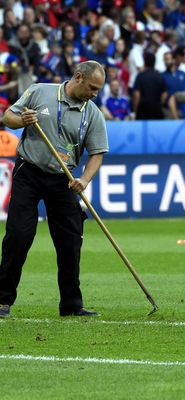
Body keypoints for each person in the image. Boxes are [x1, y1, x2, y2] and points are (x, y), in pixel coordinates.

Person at [0, 61, 108, 318]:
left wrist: (85, 179)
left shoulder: (92, 113)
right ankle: (2, 300)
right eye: (92, 88)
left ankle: (71, 305)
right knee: (18, 236)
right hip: (29, 172)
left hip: (65, 178)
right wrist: (22, 119)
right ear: (78, 77)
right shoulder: (40, 91)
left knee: (70, 240)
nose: (95, 94)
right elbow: (7, 117)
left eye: (98, 90)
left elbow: (97, 154)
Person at [132, 53, 167, 120]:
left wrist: (135, 111)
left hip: (143, 112)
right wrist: (159, 105)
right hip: (157, 111)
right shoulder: (160, 76)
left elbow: (137, 95)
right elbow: (164, 95)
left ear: (145, 62)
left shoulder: (140, 76)